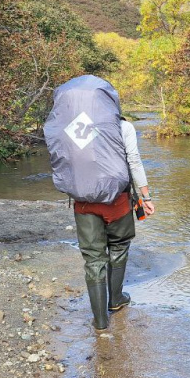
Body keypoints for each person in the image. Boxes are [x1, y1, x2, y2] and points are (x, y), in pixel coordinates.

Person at [74, 116, 154, 330]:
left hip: (84, 202)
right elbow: (133, 161)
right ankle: (116, 299)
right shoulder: (123, 126)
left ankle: (100, 321)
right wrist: (146, 196)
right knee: (118, 247)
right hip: (117, 200)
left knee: (93, 258)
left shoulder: (76, 126)